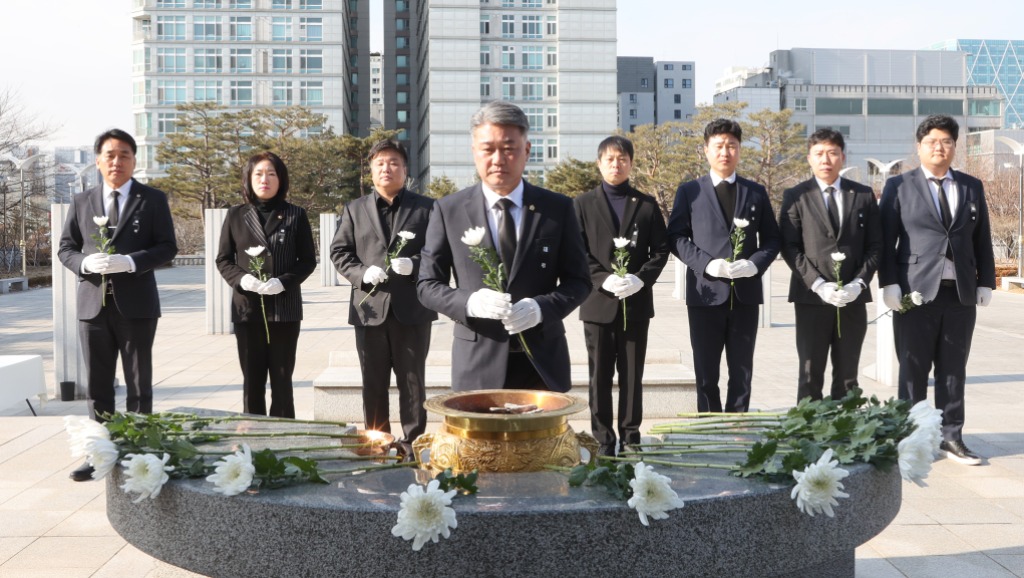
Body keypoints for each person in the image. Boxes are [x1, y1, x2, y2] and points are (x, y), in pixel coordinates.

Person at [417, 101, 591, 391]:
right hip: (477, 362)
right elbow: (426, 285)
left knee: (543, 438)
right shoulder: (449, 210)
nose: (498, 159)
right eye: (488, 149)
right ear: (474, 152)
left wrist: (541, 307)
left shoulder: (557, 208)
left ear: (527, 150)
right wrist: (469, 302)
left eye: (509, 148)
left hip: (542, 363)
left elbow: (580, 281)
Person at [58, 128, 178, 481]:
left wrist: (131, 262)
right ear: (97, 161)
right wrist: (83, 263)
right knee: (98, 385)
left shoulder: (152, 199)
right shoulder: (82, 201)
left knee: (139, 383)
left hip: (137, 304)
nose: (116, 161)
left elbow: (167, 247)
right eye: (109, 155)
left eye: (124, 154)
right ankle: (100, 452)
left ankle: (139, 450)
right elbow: (66, 248)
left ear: (134, 160)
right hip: (92, 307)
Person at [879, 114, 996, 466]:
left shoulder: (971, 186)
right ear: (919, 147)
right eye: (932, 141)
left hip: (959, 293)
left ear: (955, 147)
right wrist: (888, 283)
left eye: (946, 141)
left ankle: (951, 437)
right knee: (912, 368)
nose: (939, 148)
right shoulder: (899, 186)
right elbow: (886, 240)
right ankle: (911, 437)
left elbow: (982, 238)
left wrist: (986, 281)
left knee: (953, 368)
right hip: (915, 293)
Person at [666, 118, 780, 413]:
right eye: (718, 146)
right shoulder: (689, 191)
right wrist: (708, 265)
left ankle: (738, 425)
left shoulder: (755, 192)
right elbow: (676, 237)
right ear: (706, 150)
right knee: (706, 371)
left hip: (745, 295)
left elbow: (772, 239)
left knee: (742, 370)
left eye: (732, 145)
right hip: (705, 293)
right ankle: (709, 427)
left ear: (740, 150)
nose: (725, 152)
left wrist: (754, 265)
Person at [330, 139, 435, 458]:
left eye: (393, 163)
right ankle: (378, 441)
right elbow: (339, 252)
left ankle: (413, 443)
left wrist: (415, 265)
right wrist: (362, 274)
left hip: (412, 310)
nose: (386, 168)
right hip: (369, 310)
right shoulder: (354, 208)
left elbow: (439, 254)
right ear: (371, 171)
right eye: (380, 163)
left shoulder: (427, 208)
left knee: (413, 382)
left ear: (405, 170)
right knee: (372, 382)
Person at [574, 135, 669, 456]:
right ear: (600, 163)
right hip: (598, 306)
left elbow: (660, 249)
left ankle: (631, 437)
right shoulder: (582, 204)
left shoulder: (645, 204)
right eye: (610, 159)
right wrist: (602, 279)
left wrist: (641, 280)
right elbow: (577, 251)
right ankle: (603, 439)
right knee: (598, 376)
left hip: (636, 305)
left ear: (631, 163)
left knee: (632, 375)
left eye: (622, 159)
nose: (617, 164)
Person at [779, 128, 882, 402]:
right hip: (811, 299)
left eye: (832, 153)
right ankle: (809, 434)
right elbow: (789, 247)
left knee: (848, 374)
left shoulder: (862, 195)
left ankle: (844, 434)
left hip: (852, 298)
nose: (826, 159)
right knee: (810, 373)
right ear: (809, 158)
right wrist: (818, 284)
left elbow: (876, 245)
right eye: (819, 153)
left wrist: (859, 283)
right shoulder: (796, 196)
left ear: (843, 157)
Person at [216, 151, 316, 419]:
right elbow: (224, 259)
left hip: (284, 310)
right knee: (252, 381)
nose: (265, 179)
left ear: (281, 179)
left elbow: (307, 261)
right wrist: (242, 279)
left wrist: (284, 282)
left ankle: (284, 438)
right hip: (247, 310)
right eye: (258, 173)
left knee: (283, 381)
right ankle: (254, 438)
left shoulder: (295, 214)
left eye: (271, 173)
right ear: (249, 179)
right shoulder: (236, 215)